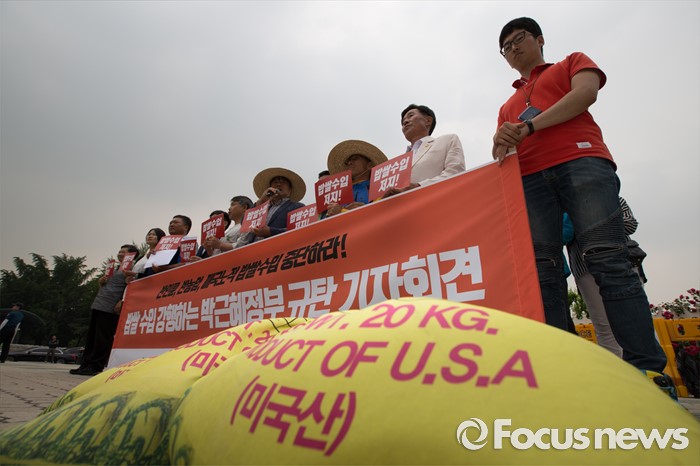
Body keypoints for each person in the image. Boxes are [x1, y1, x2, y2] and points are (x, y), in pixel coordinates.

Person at [491, 17, 666, 374]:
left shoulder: (571, 62)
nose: (513, 48)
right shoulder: (506, 106)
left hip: (582, 161)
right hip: (530, 181)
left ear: (540, 39)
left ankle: (648, 371)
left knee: (609, 260)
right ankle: (561, 371)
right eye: (505, 47)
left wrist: (530, 126)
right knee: (543, 273)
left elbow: (586, 93)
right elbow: (503, 154)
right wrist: (500, 141)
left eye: (519, 38)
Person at [567, 197, 646, 358]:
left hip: (622, 262)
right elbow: (563, 234)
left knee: (639, 321)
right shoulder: (566, 203)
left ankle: (651, 370)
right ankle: (616, 369)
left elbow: (630, 224)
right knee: (603, 324)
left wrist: (588, 223)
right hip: (585, 267)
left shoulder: (613, 197)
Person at [70, 244, 139, 376]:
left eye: (124, 252)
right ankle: (85, 364)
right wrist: (101, 282)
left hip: (111, 306)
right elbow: (105, 286)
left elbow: (131, 286)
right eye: (119, 252)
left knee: (103, 338)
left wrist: (121, 301)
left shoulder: (131, 268)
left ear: (132, 255)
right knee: (92, 337)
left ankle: (96, 366)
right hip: (99, 303)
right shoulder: (114, 268)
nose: (120, 254)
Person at [385, 104, 465, 196]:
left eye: (411, 115)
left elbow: (455, 174)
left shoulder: (448, 140)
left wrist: (419, 186)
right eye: (403, 122)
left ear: (428, 121)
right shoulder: (396, 164)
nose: (405, 122)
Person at [236, 168, 305, 247]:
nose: (278, 184)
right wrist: (261, 201)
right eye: (275, 182)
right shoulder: (262, 206)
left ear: (290, 191)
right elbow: (244, 223)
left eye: (283, 182)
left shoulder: (297, 207)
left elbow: (299, 229)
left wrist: (270, 231)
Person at [325, 139, 388, 216]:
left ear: (369, 165)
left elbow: (383, 214)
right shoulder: (338, 195)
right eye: (347, 162)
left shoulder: (380, 188)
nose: (349, 163)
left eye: (355, 158)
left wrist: (342, 211)